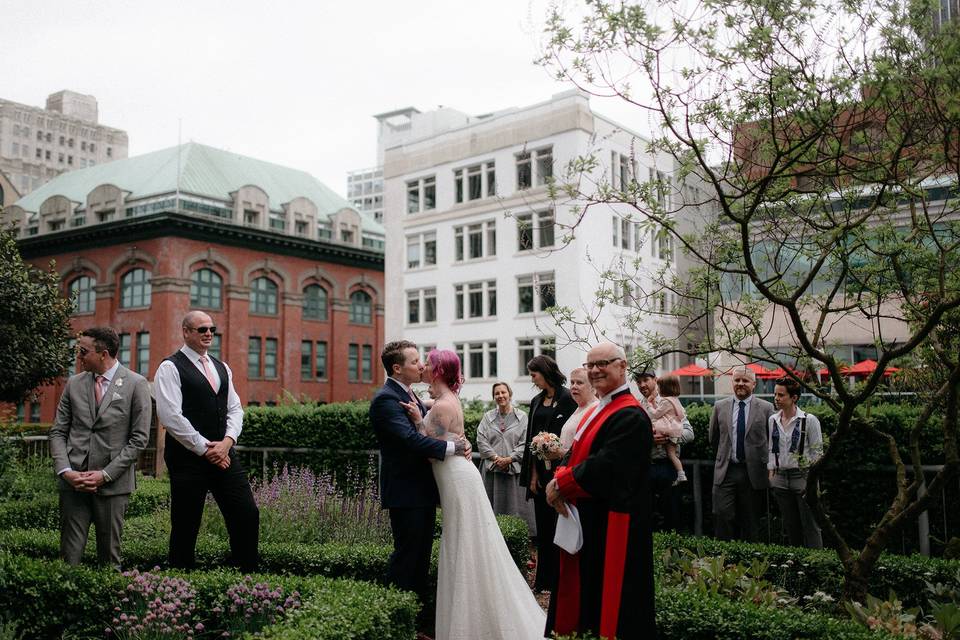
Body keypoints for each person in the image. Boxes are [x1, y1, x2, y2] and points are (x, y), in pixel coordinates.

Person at [403, 349, 547, 640]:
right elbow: (437, 421)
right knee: (464, 542)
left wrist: (419, 420)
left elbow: (429, 450)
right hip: (458, 476)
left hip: (456, 479)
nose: (424, 367)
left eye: (428, 364)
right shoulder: (444, 399)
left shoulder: (443, 406)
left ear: (440, 370)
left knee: (465, 544)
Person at [545, 342, 656, 639]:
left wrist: (562, 484)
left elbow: (607, 465)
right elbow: (576, 453)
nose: (595, 370)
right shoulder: (602, 408)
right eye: (590, 365)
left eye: (602, 363)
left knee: (613, 603)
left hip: (615, 522)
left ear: (623, 366)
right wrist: (559, 476)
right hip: (592, 518)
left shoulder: (630, 414)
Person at [155, 311, 260, 571]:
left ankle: (244, 571)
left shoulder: (222, 367)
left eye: (211, 329)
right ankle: (181, 579)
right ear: (186, 332)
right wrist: (205, 448)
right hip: (187, 459)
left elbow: (235, 409)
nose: (208, 333)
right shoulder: (170, 367)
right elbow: (170, 416)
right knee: (186, 522)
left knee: (246, 513)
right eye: (202, 329)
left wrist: (227, 442)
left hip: (224, 454)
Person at [369, 340, 471, 607]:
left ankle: (415, 618)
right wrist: (454, 447)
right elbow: (410, 441)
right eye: (415, 362)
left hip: (421, 491)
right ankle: (395, 616)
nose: (421, 365)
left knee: (420, 559)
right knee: (407, 558)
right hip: (406, 492)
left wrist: (458, 441)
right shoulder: (386, 400)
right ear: (397, 368)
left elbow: (430, 424)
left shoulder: (411, 394)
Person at [49, 327, 151, 567]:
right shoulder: (73, 384)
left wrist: (105, 475)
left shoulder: (136, 384)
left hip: (112, 486)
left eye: (83, 351)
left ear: (103, 354)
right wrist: (66, 472)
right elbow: (58, 431)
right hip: (73, 484)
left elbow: (139, 439)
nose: (78, 357)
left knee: (109, 561)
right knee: (68, 560)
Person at [519, 354, 577, 592]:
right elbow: (530, 441)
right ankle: (542, 580)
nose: (532, 379)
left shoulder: (568, 398)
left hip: (561, 471)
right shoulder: (535, 400)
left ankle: (560, 579)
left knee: (559, 527)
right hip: (540, 475)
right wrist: (532, 476)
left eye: (534, 374)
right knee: (543, 530)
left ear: (545, 372)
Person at [709, 365, 774, 542]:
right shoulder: (719, 406)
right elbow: (714, 438)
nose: (740, 383)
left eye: (745, 380)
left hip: (753, 473)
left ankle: (751, 560)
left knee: (752, 521)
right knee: (721, 514)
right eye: (737, 380)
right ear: (732, 382)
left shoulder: (767, 408)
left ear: (754, 383)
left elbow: (772, 441)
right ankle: (723, 559)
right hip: (726, 471)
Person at [635, 370, 695, 531]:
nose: (642, 385)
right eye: (638, 381)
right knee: (645, 518)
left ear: (655, 379)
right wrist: (649, 439)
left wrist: (669, 437)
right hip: (645, 467)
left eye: (646, 380)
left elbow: (689, 434)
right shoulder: (637, 406)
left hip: (668, 466)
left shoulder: (671, 402)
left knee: (672, 515)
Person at [768, 377, 823, 548]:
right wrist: (771, 470)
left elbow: (817, 452)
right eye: (775, 394)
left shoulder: (809, 420)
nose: (776, 398)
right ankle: (796, 564)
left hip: (803, 476)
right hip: (781, 477)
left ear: (794, 398)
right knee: (790, 526)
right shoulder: (773, 420)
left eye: (781, 395)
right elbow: (771, 447)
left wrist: (811, 479)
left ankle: (817, 563)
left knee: (811, 525)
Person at [476, 382, 536, 534]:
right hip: (492, 471)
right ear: (493, 396)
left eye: (503, 392)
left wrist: (510, 459)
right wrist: (496, 458)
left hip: (514, 471)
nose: (500, 396)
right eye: (497, 393)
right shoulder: (487, 417)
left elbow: (526, 442)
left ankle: (522, 543)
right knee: (491, 510)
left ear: (510, 394)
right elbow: (481, 440)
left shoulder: (522, 417)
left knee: (516, 508)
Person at [648, 374, 687, 484]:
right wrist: (653, 403)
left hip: (669, 430)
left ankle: (681, 474)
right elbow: (662, 412)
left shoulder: (665, 401)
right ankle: (681, 474)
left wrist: (648, 405)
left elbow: (656, 414)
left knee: (671, 454)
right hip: (675, 429)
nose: (658, 389)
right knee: (672, 454)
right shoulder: (674, 400)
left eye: (659, 386)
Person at [559, 367, 599, 452]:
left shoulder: (596, 409)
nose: (574, 386)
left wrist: (561, 453)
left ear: (593, 386)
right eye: (572, 382)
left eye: (579, 383)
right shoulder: (579, 408)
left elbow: (590, 448)